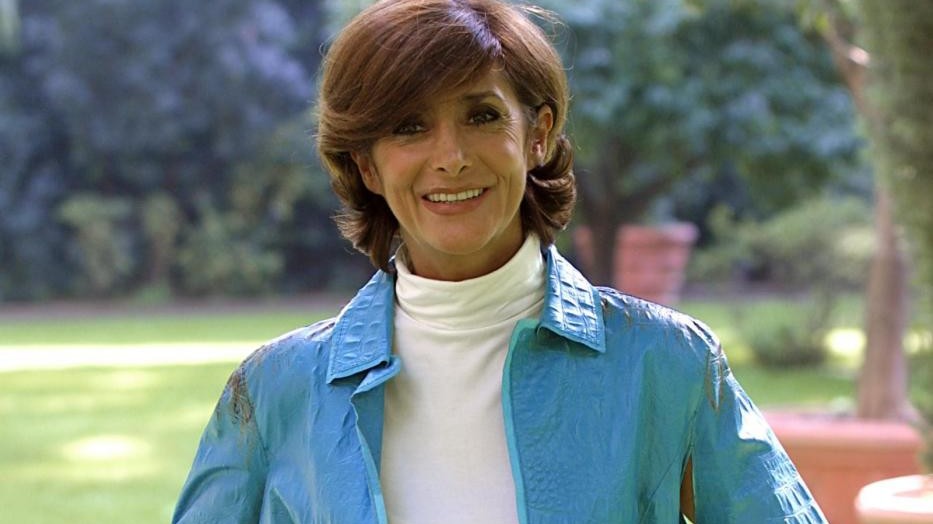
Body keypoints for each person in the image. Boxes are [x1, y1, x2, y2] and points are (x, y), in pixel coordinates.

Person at [172, 0, 827, 522]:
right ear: (366, 165)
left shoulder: (665, 364)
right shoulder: (276, 391)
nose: (451, 157)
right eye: (409, 127)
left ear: (537, 134)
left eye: (482, 116)